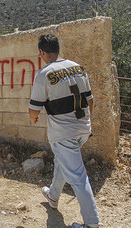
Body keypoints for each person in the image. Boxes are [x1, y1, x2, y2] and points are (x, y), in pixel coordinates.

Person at [28, 34, 100, 228]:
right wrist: (87, 122)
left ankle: (91, 223)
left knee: (77, 177)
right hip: (83, 128)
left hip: (63, 133)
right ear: (58, 49)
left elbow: (34, 109)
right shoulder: (78, 67)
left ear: (42, 52)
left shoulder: (45, 73)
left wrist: (33, 117)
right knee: (62, 162)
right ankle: (52, 196)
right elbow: (90, 99)